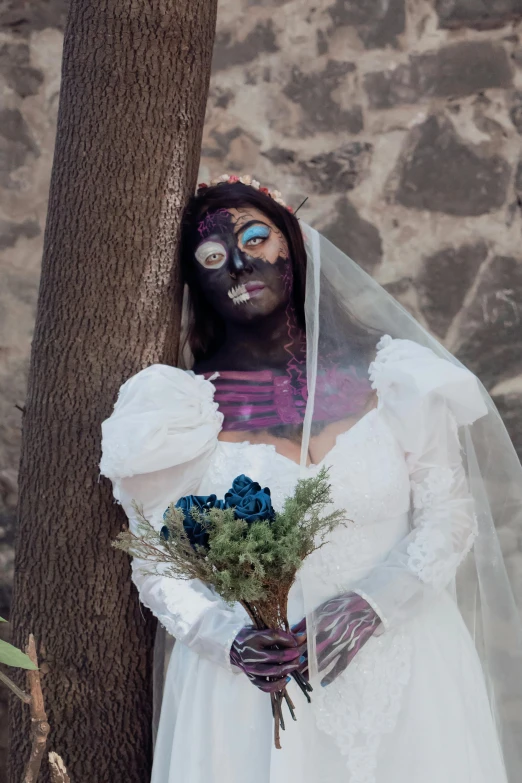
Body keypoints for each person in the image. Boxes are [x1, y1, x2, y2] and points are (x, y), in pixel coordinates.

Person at [100, 174, 522, 783]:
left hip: (406, 665)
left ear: (293, 246)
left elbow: (449, 515)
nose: (241, 264)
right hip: (251, 694)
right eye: (213, 257)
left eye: (254, 237)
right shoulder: (174, 415)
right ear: (197, 283)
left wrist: (372, 605)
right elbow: (157, 562)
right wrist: (232, 641)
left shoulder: (395, 378)